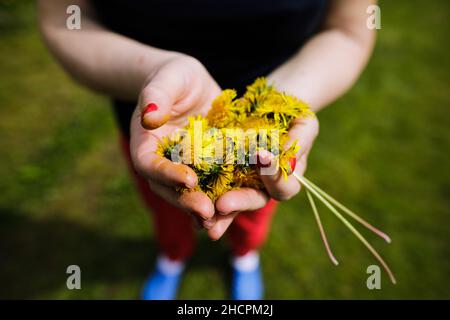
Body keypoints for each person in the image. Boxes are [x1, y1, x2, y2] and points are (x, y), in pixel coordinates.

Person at [37, 0, 376, 299]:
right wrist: (153, 72)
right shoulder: (168, 138)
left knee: (251, 212)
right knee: (168, 204)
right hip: (159, 127)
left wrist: (279, 104)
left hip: (262, 127)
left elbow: (349, 29)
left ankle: (245, 255)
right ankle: (172, 255)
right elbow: (65, 19)